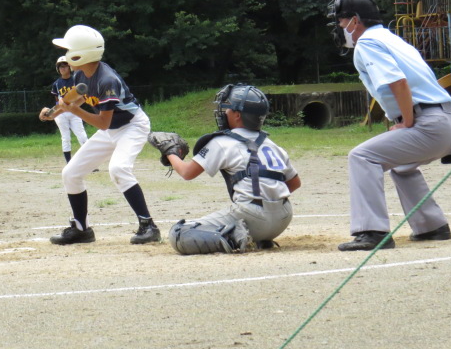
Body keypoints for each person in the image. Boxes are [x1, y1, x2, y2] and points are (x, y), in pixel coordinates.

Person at [327, 0, 451, 251]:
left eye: (341, 21)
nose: (339, 27)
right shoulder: (391, 38)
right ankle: (431, 226)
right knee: (402, 167)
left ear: (355, 20)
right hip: (445, 121)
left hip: (429, 122)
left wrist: (407, 121)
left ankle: (372, 232)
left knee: (362, 157)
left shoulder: (367, 43)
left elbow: (397, 82)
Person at [40, 24, 161, 245]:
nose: (66, 55)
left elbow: (103, 123)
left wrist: (73, 110)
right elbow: (73, 99)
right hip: (111, 129)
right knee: (71, 173)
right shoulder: (81, 74)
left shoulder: (107, 80)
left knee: (118, 169)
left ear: (81, 54)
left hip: (132, 126)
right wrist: (53, 112)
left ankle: (148, 226)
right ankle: (81, 229)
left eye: (70, 50)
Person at [158, 84, 301, 255]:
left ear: (238, 115)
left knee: (180, 233)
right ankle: (258, 236)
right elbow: (294, 183)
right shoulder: (272, 145)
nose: (224, 112)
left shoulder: (222, 142)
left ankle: (234, 237)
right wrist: (270, 199)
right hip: (283, 218)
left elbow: (187, 173)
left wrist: (170, 152)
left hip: (252, 217)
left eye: (228, 108)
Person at [50, 56, 89, 163]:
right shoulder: (56, 84)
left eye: (65, 66)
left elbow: (82, 96)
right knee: (66, 138)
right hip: (62, 113)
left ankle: (90, 161)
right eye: (60, 67)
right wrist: (55, 112)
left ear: (69, 67)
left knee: (82, 136)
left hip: (75, 110)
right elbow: (57, 101)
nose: (62, 68)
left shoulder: (75, 80)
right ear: (58, 69)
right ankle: (69, 163)